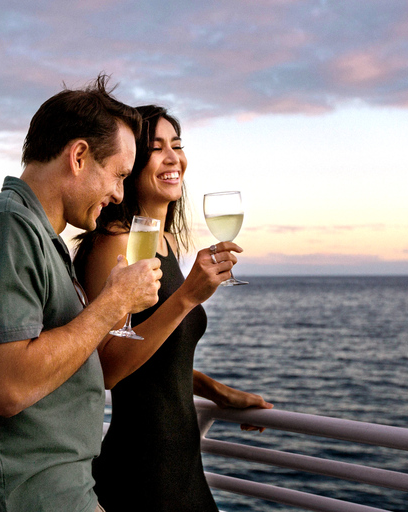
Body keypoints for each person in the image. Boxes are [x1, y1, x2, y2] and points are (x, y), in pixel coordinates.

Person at [0, 75, 162, 512]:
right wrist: (111, 304)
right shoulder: (6, 226)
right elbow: (7, 386)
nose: (119, 195)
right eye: (117, 175)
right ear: (78, 156)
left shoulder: (37, 235)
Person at [73, 105, 273, 512]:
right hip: (141, 476)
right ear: (129, 163)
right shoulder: (114, 243)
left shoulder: (163, 243)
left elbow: (158, 360)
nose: (173, 158)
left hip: (183, 470)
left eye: (177, 146)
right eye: (156, 148)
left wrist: (217, 391)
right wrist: (187, 298)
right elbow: (107, 369)